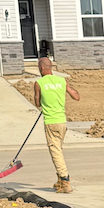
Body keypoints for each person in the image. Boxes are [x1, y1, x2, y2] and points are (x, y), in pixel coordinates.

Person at [32, 56, 80, 194]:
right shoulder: (62, 81)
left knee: (55, 151)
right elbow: (76, 96)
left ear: (41, 68)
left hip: (51, 122)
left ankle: (65, 181)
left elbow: (37, 103)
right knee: (58, 149)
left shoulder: (39, 83)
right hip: (62, 122)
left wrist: (45, 102)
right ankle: (60, 180)